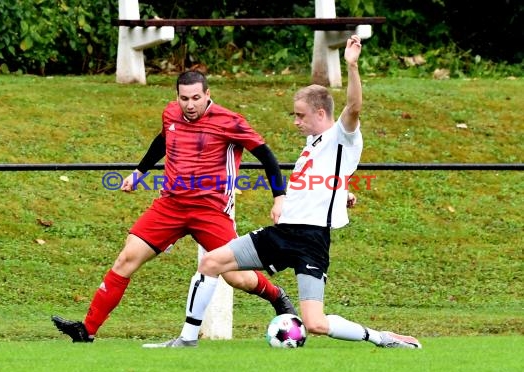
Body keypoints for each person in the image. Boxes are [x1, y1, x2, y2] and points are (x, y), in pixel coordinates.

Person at [161, 35, 422, 349]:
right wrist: (341, 194)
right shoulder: (312, 145)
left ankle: (382, 338)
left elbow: (354, 107)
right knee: (211, 263)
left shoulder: (342, 135)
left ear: (321, 114)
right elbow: (324, 180)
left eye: (301, 115)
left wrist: (351, 66)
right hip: (281, 233)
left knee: (316, 323)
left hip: (311, 241)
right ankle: (187, 340)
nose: (296, 121)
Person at [52, 70, 296, 345]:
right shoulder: (171, 114)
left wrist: (279, 197)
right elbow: (163, 140)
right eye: (183, 98)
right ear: (176, 97)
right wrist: (139, 172)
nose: (189, 105)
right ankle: (88, 331)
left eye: (195, 98)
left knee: (236, 277)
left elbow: (266, 155)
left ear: (207, 95)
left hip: (210, 210)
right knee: (126, 259)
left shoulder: (230, 121)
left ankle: (277, 295)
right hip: (170, 206)